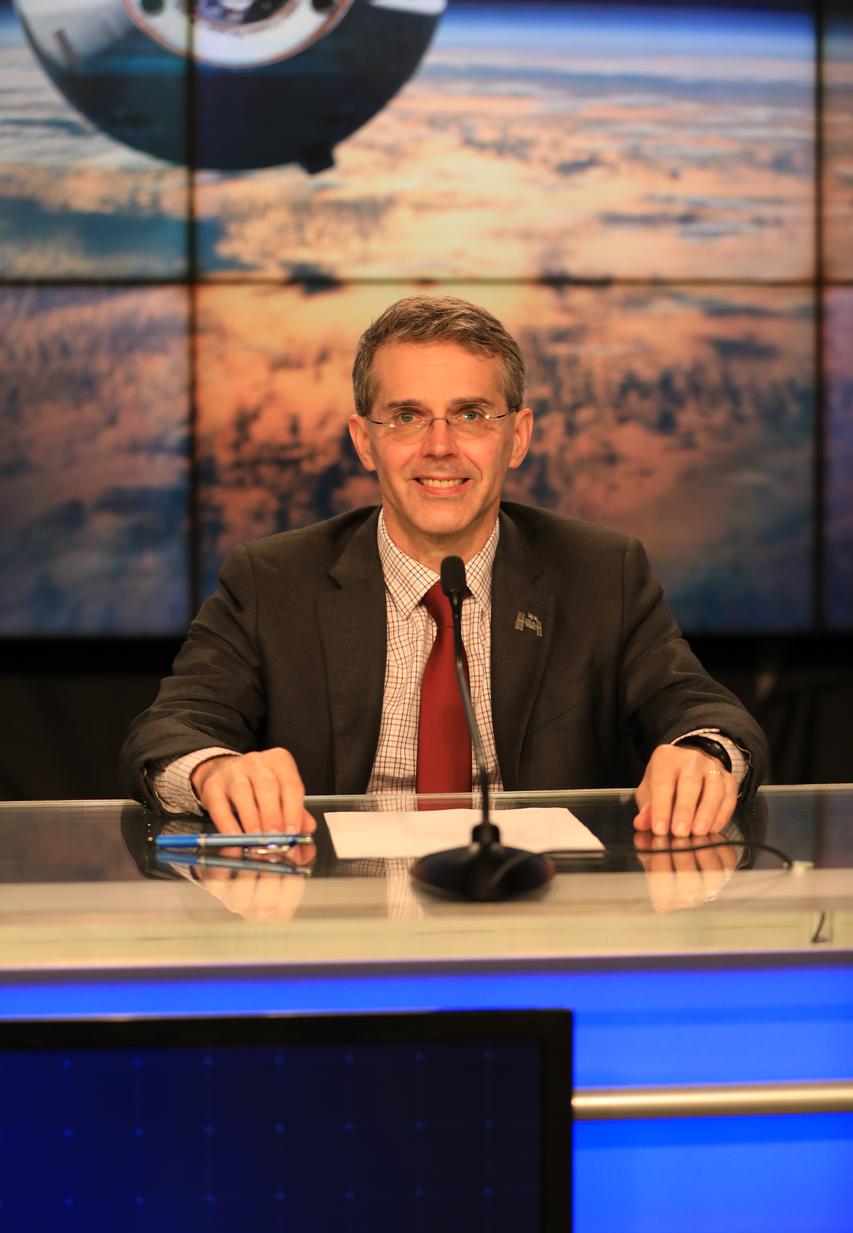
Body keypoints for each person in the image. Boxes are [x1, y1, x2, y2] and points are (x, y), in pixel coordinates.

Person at [121, 295, 767, 838]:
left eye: (471, 415)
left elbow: (703, 710)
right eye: (406, 417)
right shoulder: (272, 581)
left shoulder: (601, 574)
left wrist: (700, 754)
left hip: (539, 917)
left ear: (517, 436)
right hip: (336, 920)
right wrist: (215, 770)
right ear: (363, 441)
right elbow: (170, 729)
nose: (439, 447)